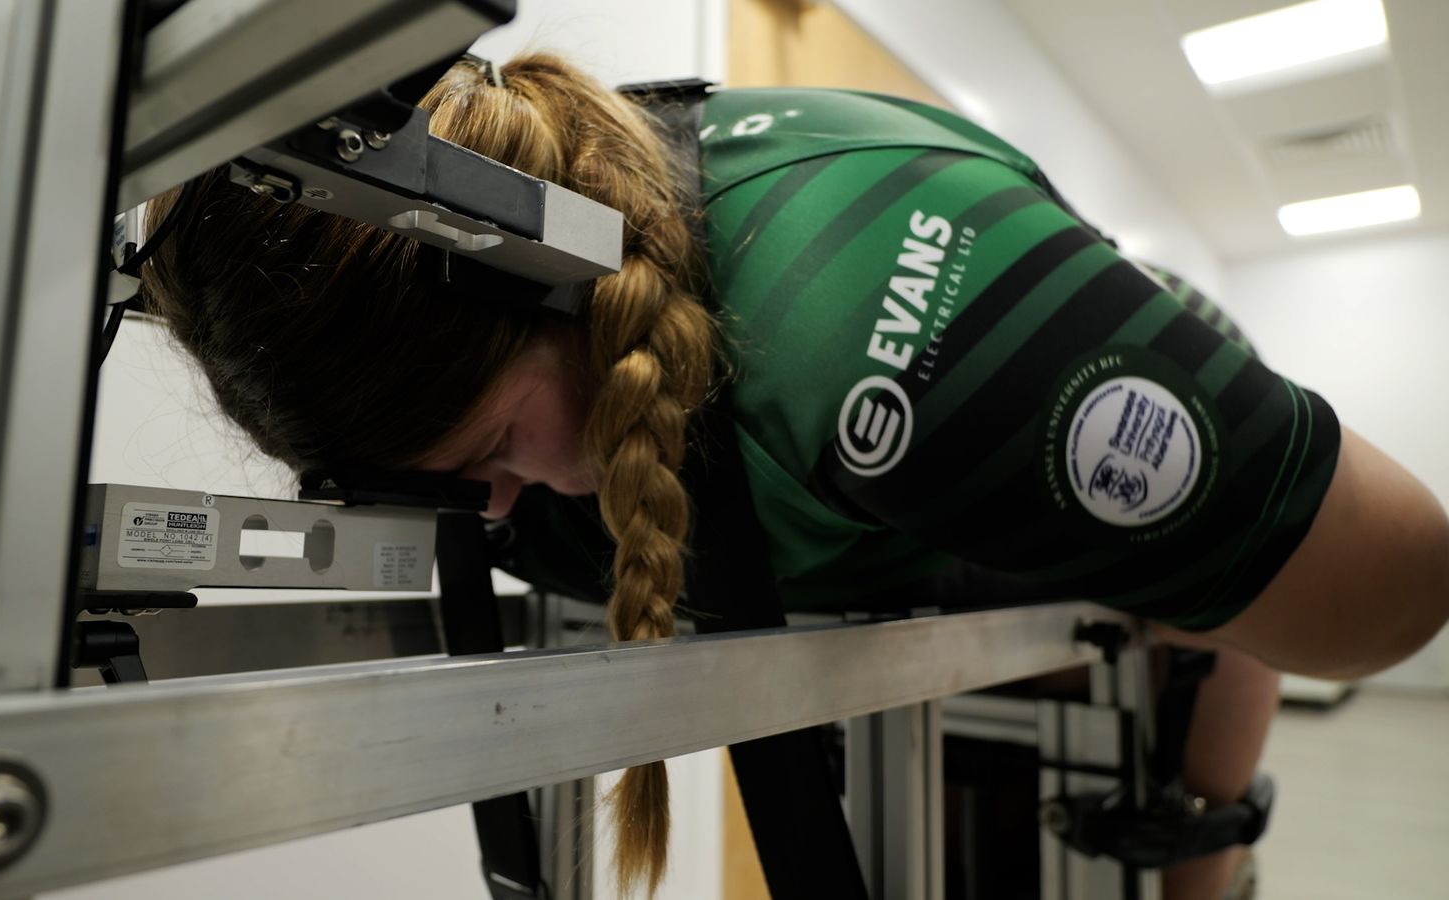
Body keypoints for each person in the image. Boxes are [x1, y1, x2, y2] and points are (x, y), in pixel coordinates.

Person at [136, 54, 1449, 898]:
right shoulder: (543, 374)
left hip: (1111, 475)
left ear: (544, 286)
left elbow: (1390, 588)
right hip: (870, 537)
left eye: (487, 450)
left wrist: (1202, 852)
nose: (484, 511)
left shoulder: (892, 323)